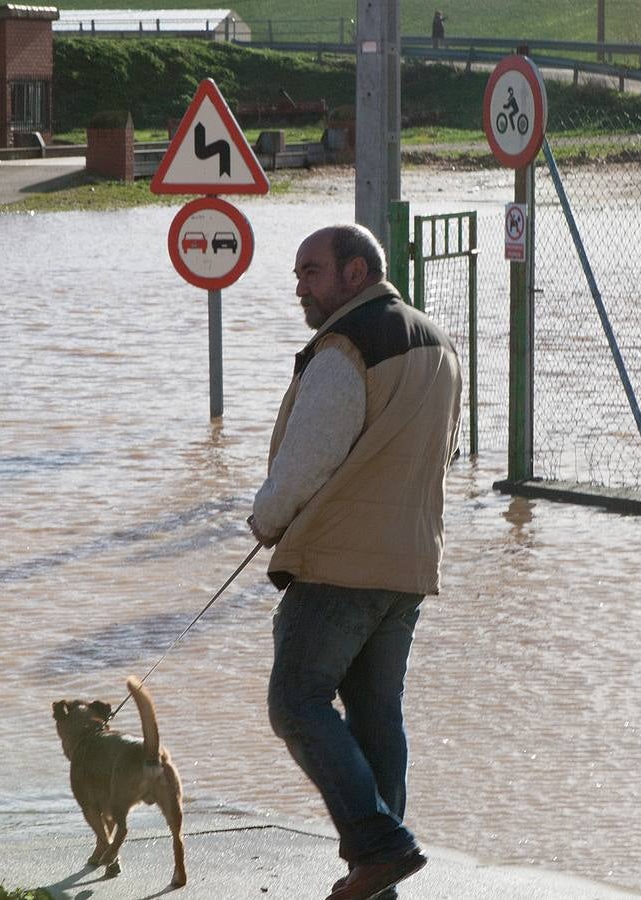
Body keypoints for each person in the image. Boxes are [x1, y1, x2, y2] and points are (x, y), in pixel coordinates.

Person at [248, 225, 461, 900]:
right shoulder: (438, 342)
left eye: (311, 271)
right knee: (375, 717)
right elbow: (447, 453)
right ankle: (379, 876)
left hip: (340, 560)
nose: (299, 286)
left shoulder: (344, 345)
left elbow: (309, 455)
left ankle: (378, 846)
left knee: (295, 700)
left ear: (355, 271)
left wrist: (266, 521)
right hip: (410, 561)